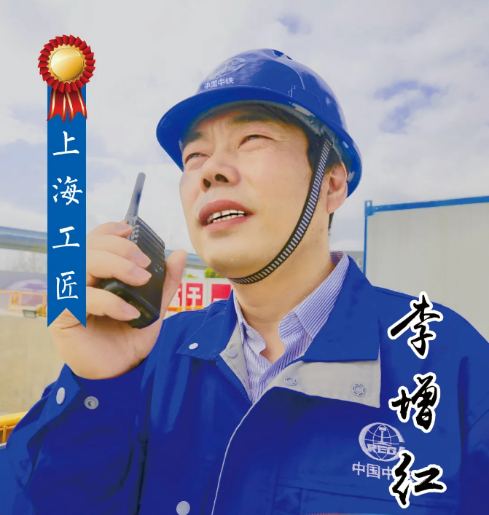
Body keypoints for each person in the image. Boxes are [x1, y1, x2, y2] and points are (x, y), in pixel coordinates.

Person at [5, 48, 489, 515]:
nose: (210, 171)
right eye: (195, 155)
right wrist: (95, 386)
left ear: (332, 183)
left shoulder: (452, 364)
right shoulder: (146, 359)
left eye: (253, 139)